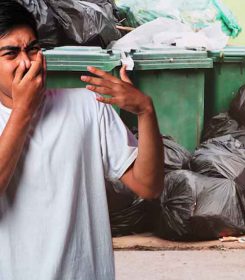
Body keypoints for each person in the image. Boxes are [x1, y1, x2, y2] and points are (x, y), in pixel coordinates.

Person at [0, 1, 164, 279]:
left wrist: (146, 111)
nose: (27, 62)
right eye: (11, 54)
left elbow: (148, 186)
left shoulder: (88, 105)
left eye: (34, 49)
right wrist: (23, 111)